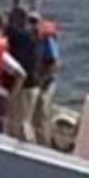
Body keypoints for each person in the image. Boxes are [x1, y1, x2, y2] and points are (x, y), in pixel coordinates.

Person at [0, 0, 42, 140]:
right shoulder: (31, 33)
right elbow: (15, 13)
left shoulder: (16, 35)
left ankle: (24, 153)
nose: (8, 17)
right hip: (33, 85)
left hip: (23, 86)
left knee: (19, 123)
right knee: (26, 121)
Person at [28, 11, 61, 145]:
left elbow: (54, 62)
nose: (32, 25)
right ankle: (35, 141)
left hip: (47, 82)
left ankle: (43, 144)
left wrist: (43, 80)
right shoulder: (30, 40)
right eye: (30, 22)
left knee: (41, 114)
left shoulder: (47, 40)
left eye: (35, 22)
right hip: (37, 81)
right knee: (33, 113)